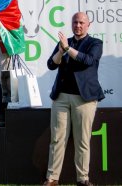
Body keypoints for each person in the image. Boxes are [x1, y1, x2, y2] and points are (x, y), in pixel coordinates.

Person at [43, 12, 104, 186]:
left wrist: (68, 49)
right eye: (75, 22)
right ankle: (52, 178)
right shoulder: (64, 43)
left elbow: (88, 60)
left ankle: (83, 179)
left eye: (81, 23)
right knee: (57, 138)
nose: (78, 25)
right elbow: (51, 64)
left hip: (84, 99)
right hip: (61, 97)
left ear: (88, 25)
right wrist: (61, 52)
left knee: (83, 140)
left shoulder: (95, 43)